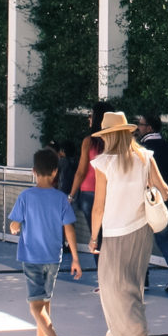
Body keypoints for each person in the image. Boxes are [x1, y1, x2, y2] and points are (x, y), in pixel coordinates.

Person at [86, 111, 168, 336]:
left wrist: (92, 236)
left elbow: (98, 207)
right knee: (130, 287)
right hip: (142, 232)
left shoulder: (104, 163)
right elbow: (164, 191)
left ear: (109, 136)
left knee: (115, 290)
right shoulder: (145, 157)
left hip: (114, 234)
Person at [10, 147, 83, 336]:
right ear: (54, 172)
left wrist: (16, 228)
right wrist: (76, 260)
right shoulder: (61, 198)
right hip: (54, 257)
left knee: (35, 305)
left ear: (33, 171)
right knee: (45, 301)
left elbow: (14, 225)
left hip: (32, 257)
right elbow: (69, 230)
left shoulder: (26, 197)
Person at [135, 112, 168, 293]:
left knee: (142, 240)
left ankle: (144, 279)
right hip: (163, 200)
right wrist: (167, 193)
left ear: (149, 127)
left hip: (144, 201)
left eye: (140, 124)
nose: (138, 128)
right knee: (163, 236)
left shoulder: (142, 148)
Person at [68, 103, 111, 273]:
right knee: (111, 235)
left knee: (96, 236)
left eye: (91, 115)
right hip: (110, 191)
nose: (89, 118)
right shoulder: (114, 141)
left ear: (97, 118)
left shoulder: (89, 141)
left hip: (89, 192)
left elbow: (81, 171)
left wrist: (71, 194)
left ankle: (102, 277)